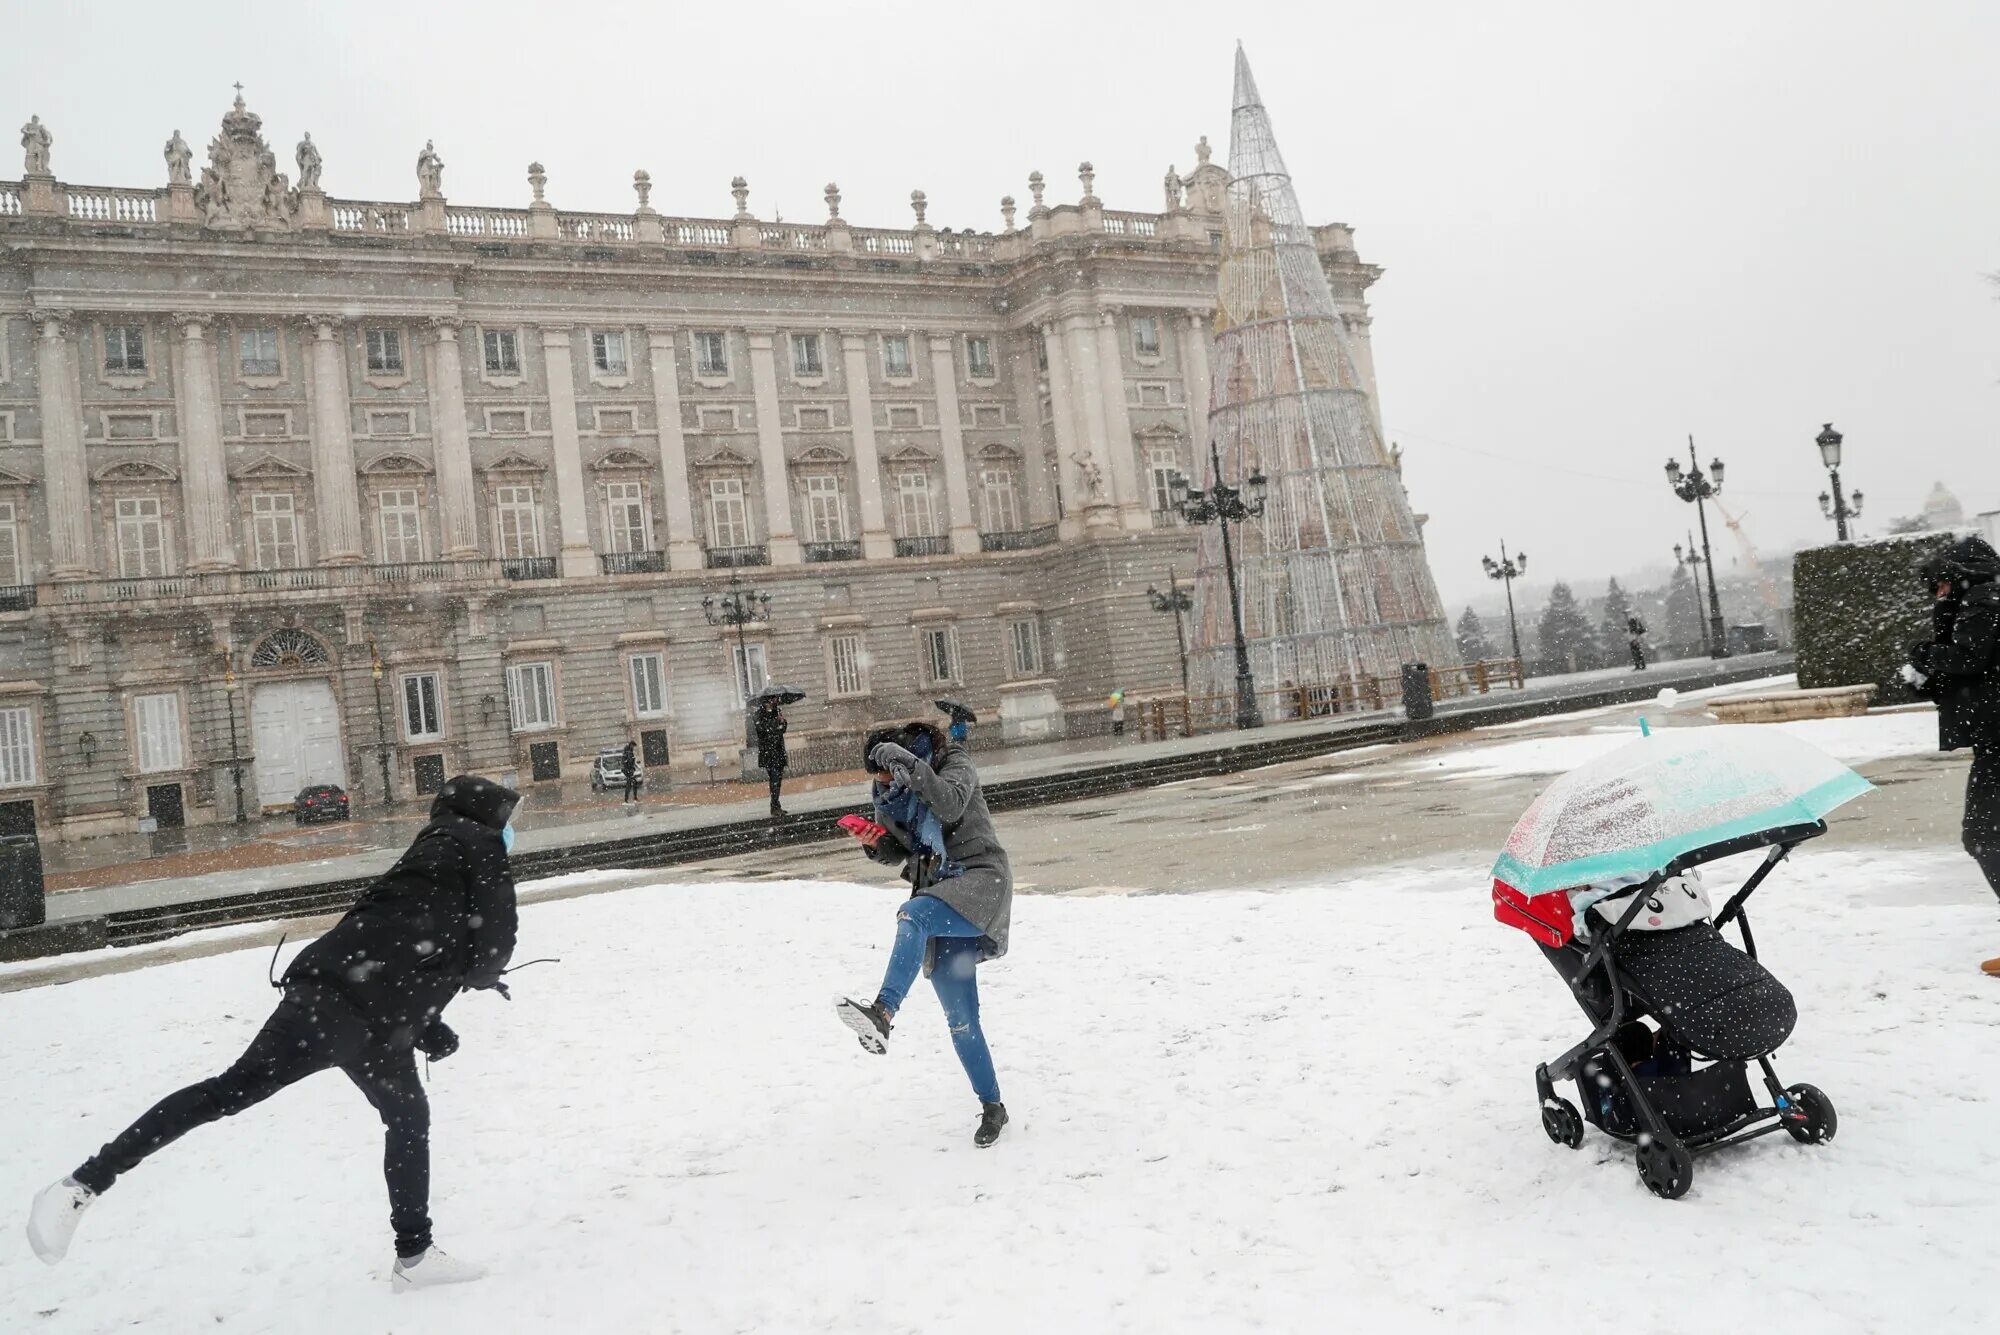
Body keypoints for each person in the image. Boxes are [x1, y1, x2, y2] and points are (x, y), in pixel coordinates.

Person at [26, 775, 521, 1288]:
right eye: (507, 818)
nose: (510, 829)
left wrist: (426, 1024)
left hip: (365, 1015)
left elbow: (400, 943)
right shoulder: (475, 843)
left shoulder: (432, 858)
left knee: (407, 1119)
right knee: (231, 1091)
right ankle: (80, 1184)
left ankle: (415, 1258)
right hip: (342, 1009)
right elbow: (491, 944)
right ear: (485, 815)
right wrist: (484, 976)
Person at [836, 721, 1013, 1147]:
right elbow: (903, 852)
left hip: (979, 881)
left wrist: (907, 764)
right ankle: (993, 1107)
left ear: (901, 760)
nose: (881, 783)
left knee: (911, 915)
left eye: (884, 773)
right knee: (962, 1021)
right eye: (876, 777)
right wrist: (873, 840)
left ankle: (883, 1012)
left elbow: (950, 804)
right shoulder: (892, 794)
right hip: (941, 892)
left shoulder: (954, 762)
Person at [1904, 535, 2000, 970]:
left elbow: (1971, 658)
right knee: (1985, 835)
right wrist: (1926, 670)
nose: (1937, 595)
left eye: (1941, 585)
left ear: (1960, 576)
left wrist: (1924, 653)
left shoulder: (1984, 601)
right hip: (1994, 741)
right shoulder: (1982, 598)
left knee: (1984, 835)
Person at [754, 695, 788, 817]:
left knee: (778, 780)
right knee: (774, 779)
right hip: (768, 752)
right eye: (771, 701)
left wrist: (782, 721)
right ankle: (774, 807)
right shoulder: (758, 714)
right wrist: (775, 722)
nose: (774, 703)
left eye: (774, 701)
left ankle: (776, 805)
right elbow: (761, 729)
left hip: (778, 751)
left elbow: (782, 729)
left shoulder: (776, 712)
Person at [620, 739, 640, 804]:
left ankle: (631, 799)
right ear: (631, 745)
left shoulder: (628, 751)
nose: (633, 747)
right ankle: (629, 799)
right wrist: (630, 769)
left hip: (628, 770)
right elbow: (628, 762)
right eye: (633, 746)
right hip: (627, 770)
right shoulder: (628, 752)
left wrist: (632, 768)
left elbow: (630, 761)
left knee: (632, 783)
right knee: (630, 783)